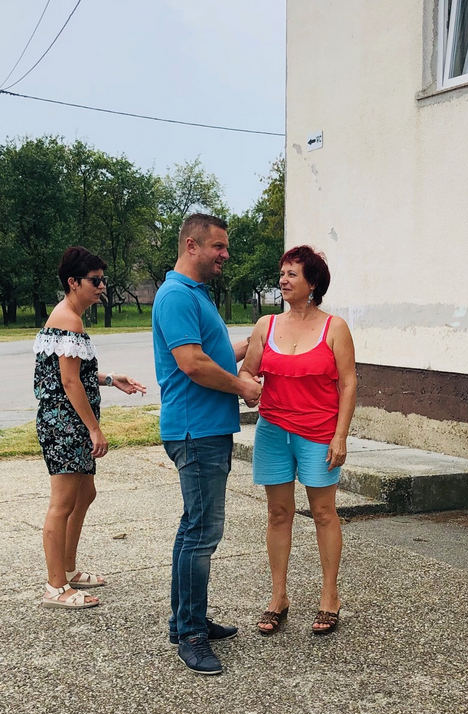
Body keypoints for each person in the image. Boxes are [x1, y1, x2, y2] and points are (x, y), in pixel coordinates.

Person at [152, 213, 262, 675]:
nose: (225, 255)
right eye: (218, 246)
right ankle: (192, 636)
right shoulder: (177, 295)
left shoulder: (195, 294)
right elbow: (193, 364)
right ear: (191, 245)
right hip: (195, 432)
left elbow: (210, 354)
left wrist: (252, 344)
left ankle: (184, 620)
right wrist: (243, 387)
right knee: (202, 533)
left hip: (204, 430)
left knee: (192, 528)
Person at [238, 245, 357, 636]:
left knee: (323, 513)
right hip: (273, 431)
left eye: (292, 274)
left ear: (313, 283)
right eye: (282, 273)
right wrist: (247, 386)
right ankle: (278, 597)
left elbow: (348, 383)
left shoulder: (334, 328)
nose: (283, 280)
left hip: (319, 432)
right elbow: (248, 371)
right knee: (278, 513)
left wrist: (340, 436)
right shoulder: (266, 325)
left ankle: (330, 596)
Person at [34, 246, 146, 609]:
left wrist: (111, 379)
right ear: (73, 282)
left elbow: (72, 373)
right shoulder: (70, 320)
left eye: (102, 280)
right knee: (62, 503)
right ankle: (56, 587)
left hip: (67, 423)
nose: (102, 287)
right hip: (64, 425)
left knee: (85, 494)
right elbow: (69, 383)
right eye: (95, 281)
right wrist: (94, 429)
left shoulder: (66, 317)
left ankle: (67, 569)